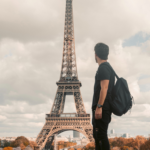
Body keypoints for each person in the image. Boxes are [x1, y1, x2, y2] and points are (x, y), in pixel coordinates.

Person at [91, 43, 115, 150]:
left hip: (102, 108)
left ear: (96, 54)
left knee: (100, 136)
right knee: (99, 136)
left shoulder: (103, 68)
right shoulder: (107, 67)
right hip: (104, 107)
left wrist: (99, 106)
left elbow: (104, 88)